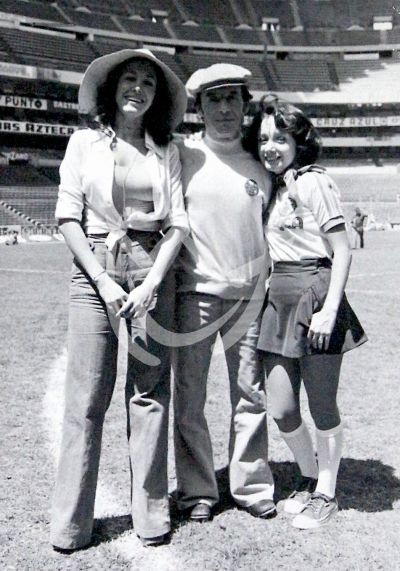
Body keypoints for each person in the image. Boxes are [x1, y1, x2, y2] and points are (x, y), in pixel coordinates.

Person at [51, 49, 189, 551]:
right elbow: (67, 217)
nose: (138, 88)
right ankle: (70, 525)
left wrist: (152, 280)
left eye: (148, 82)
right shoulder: (84, 142)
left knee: (150, 392)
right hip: (95, 273)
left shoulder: (167, 148)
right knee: (86, 400)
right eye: (129, 78)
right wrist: (105, 284)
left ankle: (150, 515)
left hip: (153, 269)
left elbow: (178, 225)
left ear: (157, 97)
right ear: (112, 89)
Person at [245, 95, 367, 529]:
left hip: (315, 292)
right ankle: (309, 475)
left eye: (280, 137)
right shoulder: (273, 186)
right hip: (278, 296)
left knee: (321, 403)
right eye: (263, 139)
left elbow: (341, 249)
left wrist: (329, 310)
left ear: (299, 140)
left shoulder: (314, 182)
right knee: (280, 407)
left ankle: (326, 493)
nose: (270, 147)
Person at [173, 64, 275, 523]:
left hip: (250, 299)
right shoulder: (183, 155)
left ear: (244, 104)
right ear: (199, 107)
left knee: (250, 394)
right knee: (191, 395)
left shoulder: (262, 165)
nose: (225, 107)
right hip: (195, 294)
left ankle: (251, 486)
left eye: (233, 97)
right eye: (214, 99)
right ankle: (197, 489)